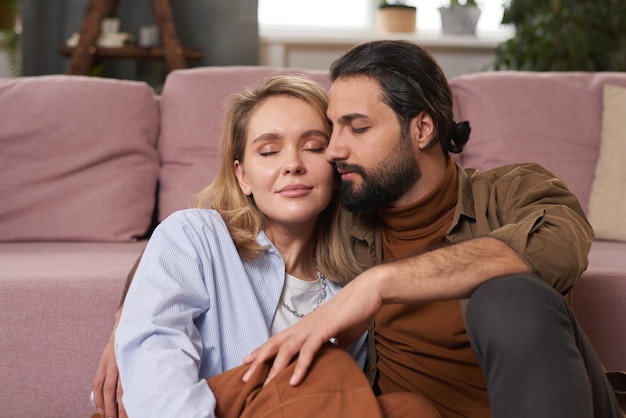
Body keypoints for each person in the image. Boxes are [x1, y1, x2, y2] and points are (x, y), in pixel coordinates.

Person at [241, 41, 623, 418]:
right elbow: (264, 201)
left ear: (422, 129)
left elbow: (560, 246)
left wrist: (378, 285)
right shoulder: (344, 218)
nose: (334, 150)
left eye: (357, 128)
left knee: (508, 296)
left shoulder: (512, 192)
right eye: (332, 130)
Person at [93, 74, 440, 418]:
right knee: (322, 365)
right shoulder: (193, 235)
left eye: (313, 147)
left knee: (411, 409)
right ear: (243, 176)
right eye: (269, 151)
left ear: (335, 167)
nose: (292, 165)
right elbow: (156, 353)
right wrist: (129, 317)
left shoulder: (350, 290)